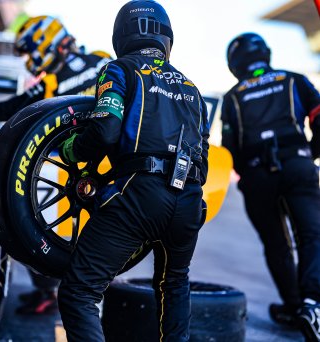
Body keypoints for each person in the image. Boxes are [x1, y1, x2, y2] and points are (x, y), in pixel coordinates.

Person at [56, 1, 210, 341]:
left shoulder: (121, 69)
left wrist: (71, 149)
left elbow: (105, 131)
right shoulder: (192, 89)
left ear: (122, 35)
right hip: (189, 201)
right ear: (167, 37)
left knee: (79, 292)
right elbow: (205, 160)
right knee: (174, 286)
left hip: (139, 194)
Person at [0, 15, 112, 315]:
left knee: (30, 221)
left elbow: (12, 107)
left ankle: (66, 291)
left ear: (44, 42)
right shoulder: (96, 62)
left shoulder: (67, 75)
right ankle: (60, 291)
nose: (28, 59)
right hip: (88, 166)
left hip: (80, 168)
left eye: (28, 51)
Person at [221, 32, 320, 341]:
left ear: (234, 64)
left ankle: (294, 306)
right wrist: (307, 153)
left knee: (276, 245)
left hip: (256, 175)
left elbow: (229, 149)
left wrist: (250, 175)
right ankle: (312, 303)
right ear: (266, 53)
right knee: (312, 233)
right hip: (297, 165)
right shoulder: (293, 80)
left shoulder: (233, 96)